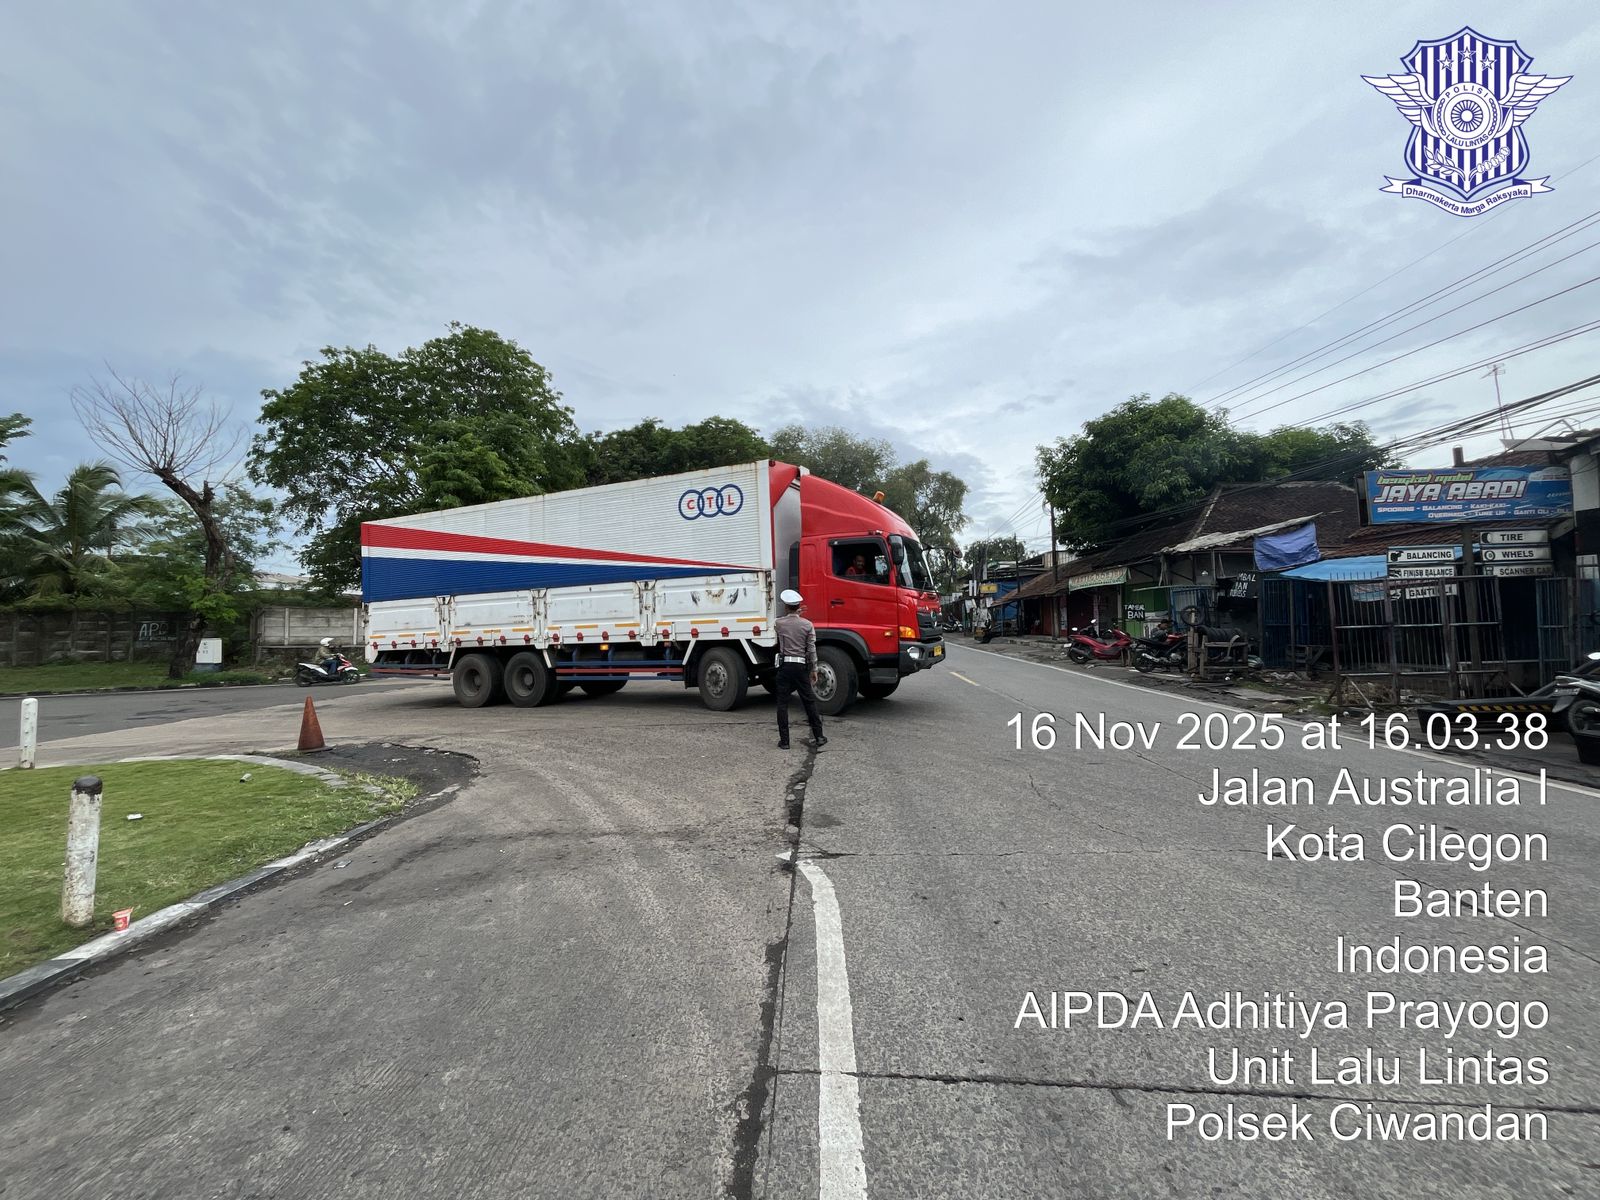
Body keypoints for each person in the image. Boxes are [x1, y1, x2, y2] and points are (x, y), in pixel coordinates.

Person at [773, 588, 826, 750]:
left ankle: (785, 741)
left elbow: (780, 622)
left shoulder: (779, 623)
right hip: (801, 666)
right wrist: (814, 668)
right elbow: (811, 649)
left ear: (786, 607)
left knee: (782, 703)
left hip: (785, 666)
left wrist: (794, 613)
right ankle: (819, 736)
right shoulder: (808, 625)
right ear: (799, 607)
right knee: (808, 701)